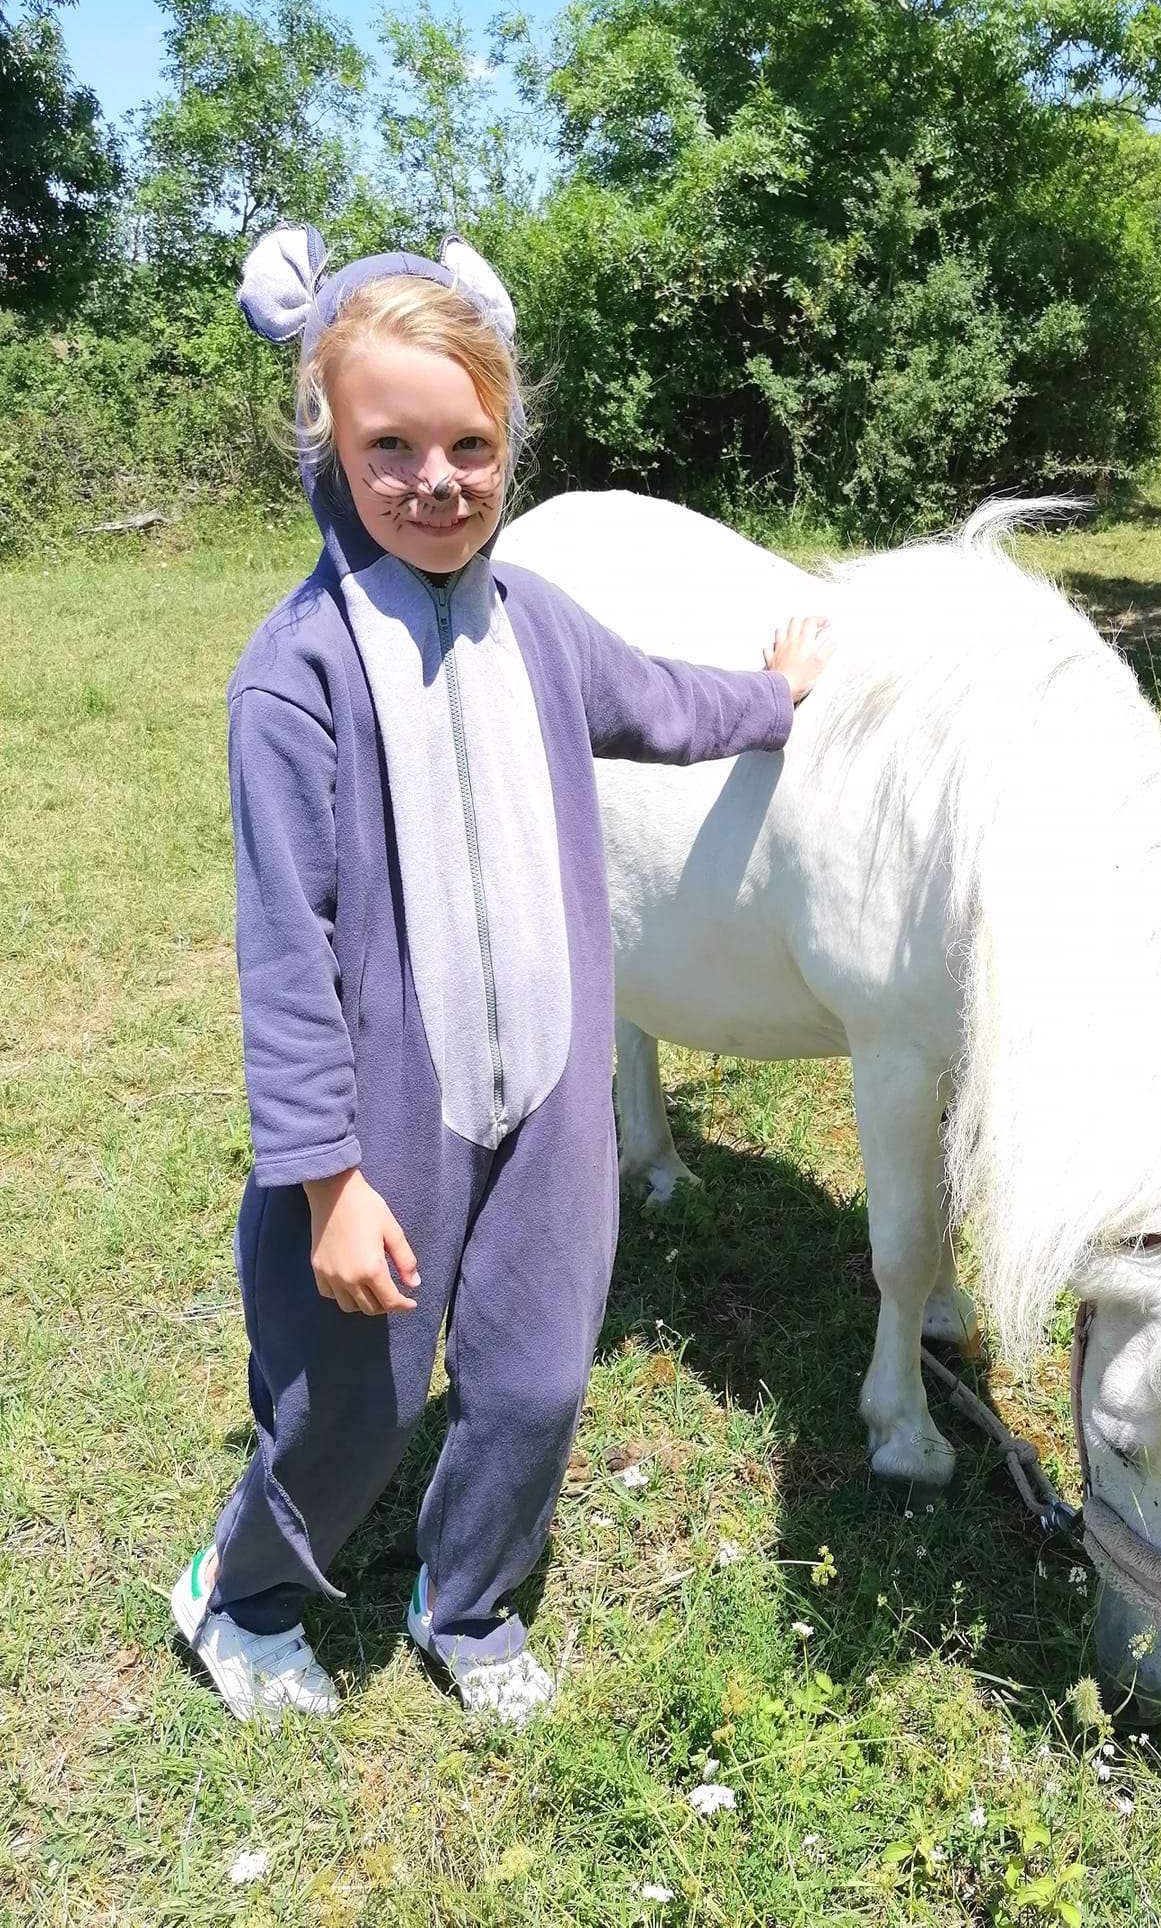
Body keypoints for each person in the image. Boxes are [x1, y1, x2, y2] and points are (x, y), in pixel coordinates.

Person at [170, 225, 834, 1728]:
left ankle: (464, 1604)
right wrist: (326, 1180)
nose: (435, 480)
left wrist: (773, 696)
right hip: (386, 1129)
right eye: (390, 444)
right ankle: (244, 1593)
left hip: (550, 1095)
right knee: (358, 1403)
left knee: (532, 1384)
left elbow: (660, 705)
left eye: (470, 443)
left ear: (509, 441)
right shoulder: (296, 678)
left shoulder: (535, 623)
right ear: (326, 440)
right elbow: (283, 956)